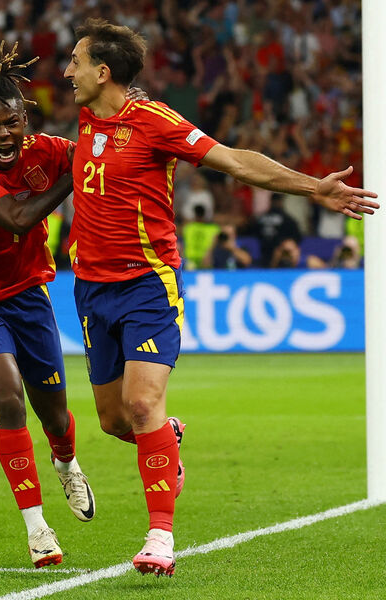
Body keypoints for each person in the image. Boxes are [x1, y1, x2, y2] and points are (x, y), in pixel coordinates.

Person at [63, 18, 378, 577]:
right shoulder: (87, 119)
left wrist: (313, 187)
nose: (67, 71)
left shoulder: (156, 122)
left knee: (143, 405)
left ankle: (160, 538)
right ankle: (168, 439)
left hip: (147, 285)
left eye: (76, 61)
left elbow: (234, 160)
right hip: (90, 288)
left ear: (103, 72)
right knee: (114, 421)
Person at [0, 41, 95, 568]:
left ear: (25, 120)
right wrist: (72, 178)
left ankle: (66, 464)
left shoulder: (47, 150)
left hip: (30, 295)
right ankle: (37, 529)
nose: (4, 135)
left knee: (55, 414)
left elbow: (96, 155)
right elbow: (18, 218)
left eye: (12, 123)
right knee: (9, 402)